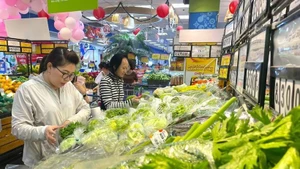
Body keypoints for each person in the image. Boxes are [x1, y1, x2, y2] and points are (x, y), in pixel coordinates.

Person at [11, 47, 91, 168]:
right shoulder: (28, 90)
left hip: (68, 156)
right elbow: (17, 128)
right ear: (49, 67)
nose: (67, 79)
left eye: (71, 75)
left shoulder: (68, 86)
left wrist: (71, 121)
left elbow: (85, 108)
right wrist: (42, 131)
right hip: (40, 161)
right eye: (64, 73)